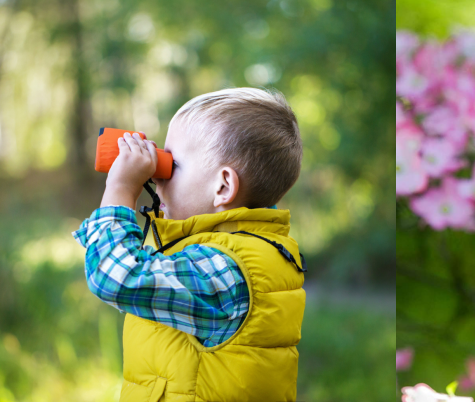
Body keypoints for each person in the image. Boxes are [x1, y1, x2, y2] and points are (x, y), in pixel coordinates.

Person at [72, 87, 306, 402]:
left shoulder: (225, 268)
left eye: (172, 165)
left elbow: (117, 277)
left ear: (223, 186)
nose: (157, 178)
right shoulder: (249, 248)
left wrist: (121, 188)